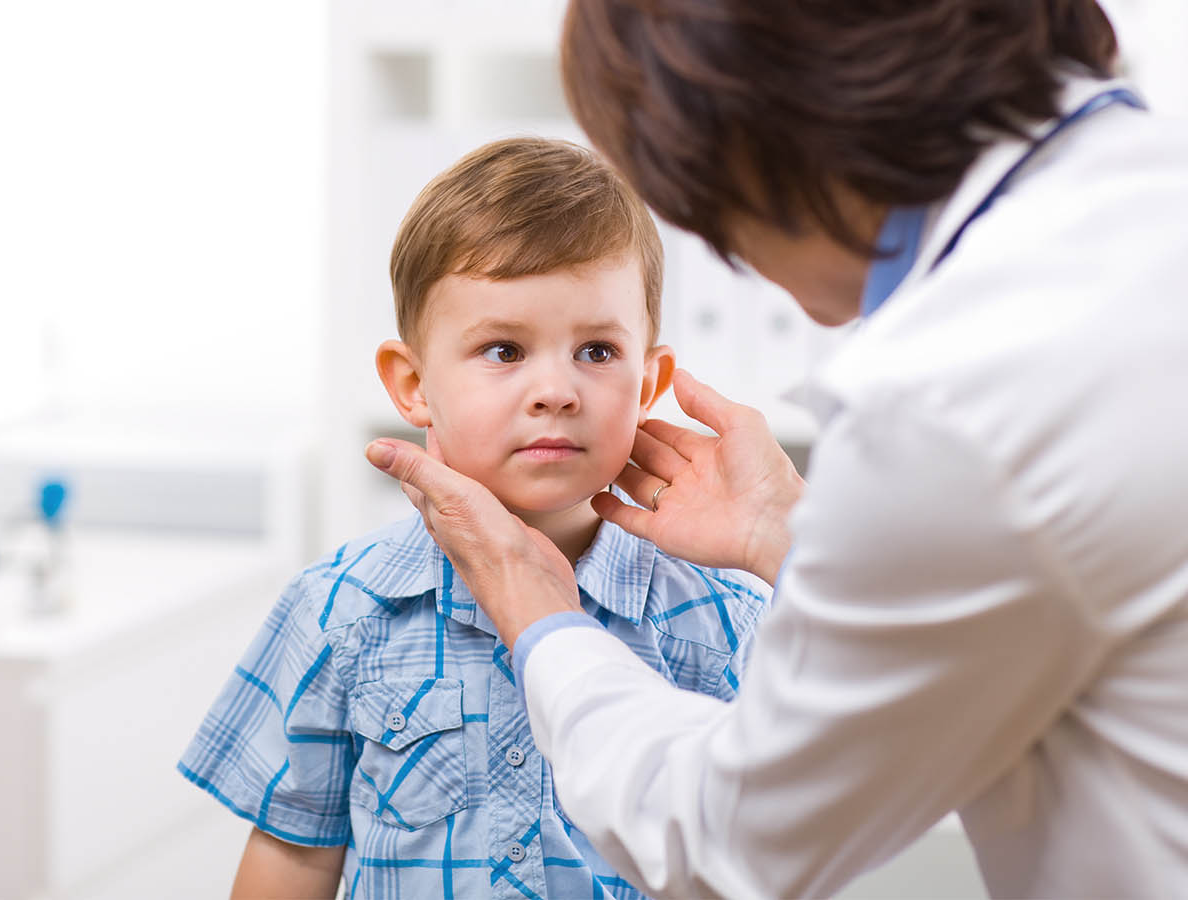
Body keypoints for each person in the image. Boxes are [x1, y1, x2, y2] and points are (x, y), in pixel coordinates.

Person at [366, 1, 1188, 897]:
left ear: (750, 143)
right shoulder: (1137, 201)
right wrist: (788, 533)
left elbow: (728, 844)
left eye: (597, 349)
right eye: (503, 350)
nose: (733, 255)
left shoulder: (963, 400)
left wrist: (543, 623)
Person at [179, 137, 772, 899]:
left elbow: (756, 863)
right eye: (503, 349)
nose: (555, 390)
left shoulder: (720, 623)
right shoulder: (340, 610)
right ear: (413, 384)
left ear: (649, 379)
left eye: (596, 351)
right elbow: (293, 856)